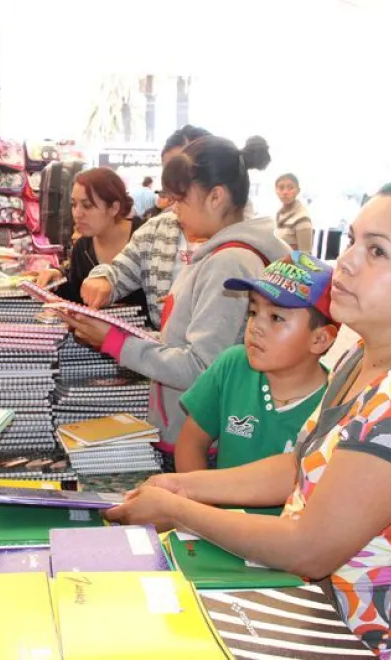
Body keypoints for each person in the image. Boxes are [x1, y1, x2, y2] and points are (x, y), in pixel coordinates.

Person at [108, 176, 391, 659]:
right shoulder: (370, 360)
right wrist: (184, 486)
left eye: (377, 252)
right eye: (353, 241)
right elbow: (302, 466)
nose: (346, 261)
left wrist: (179, 510)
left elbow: (309, 548)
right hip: (316, 613)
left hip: (364, 644)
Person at [64, 135, 289, 469]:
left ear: (216, 197)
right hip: (189, 429)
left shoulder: (228, 261)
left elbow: (199, 368)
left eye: (181, 200)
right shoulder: (216, 253)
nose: (173, 210)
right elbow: (185, 345)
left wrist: (115, 342)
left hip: (200, 441)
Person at [174, 252, 337, 475]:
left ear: (320, 339)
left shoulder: (334, 406)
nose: (255, 326)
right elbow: (191, 443)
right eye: (253, 311)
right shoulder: (232, 365)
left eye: (276, 318)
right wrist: (195, 505)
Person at [80, 124, 213, 328]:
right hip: (162, 353)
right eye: (170, 172)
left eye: (185, 173)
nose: (176, 184)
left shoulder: (239, 243)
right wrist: (103, 279)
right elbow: (120, 270)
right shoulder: (156, 229)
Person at [34, 167, 147, 318]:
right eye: (74, 205)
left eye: (87, 206)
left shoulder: (146, 238)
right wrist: (57, 280)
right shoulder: (82, 248)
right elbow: (75, 296)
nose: (77, 214)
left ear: (114, 208)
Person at [273, 173, 314, 252]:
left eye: (290, 188)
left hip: (290, 263)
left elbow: (305, 256)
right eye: (281, 188)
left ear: (298, 191)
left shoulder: (302, 218)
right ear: (276, 190)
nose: (285, 192)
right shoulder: (279, 214)